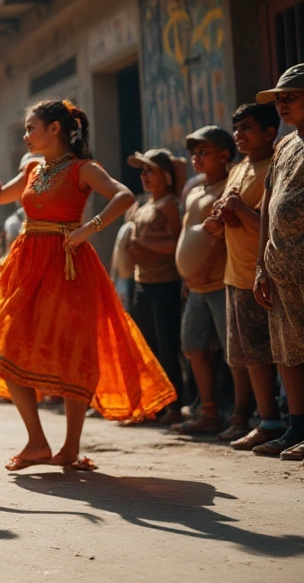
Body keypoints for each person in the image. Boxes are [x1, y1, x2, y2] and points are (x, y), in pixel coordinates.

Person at [0, 100, 176, 471]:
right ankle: (36, 441)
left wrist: (89, 228)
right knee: (7, 344)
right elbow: (0, 195)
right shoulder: (34, 168)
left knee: (72, 352)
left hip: (67, 265)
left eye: (31, 127)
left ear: (55, 129)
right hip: (28, 264)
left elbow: (124, 196)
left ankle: (70, 447)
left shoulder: (84, 168)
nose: (26, 135)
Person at [212, 103, 285, 451]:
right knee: (246, 355)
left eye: (248, 128)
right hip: (235, 273)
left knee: (273, 352)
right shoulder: (238, 168)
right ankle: (263, 418)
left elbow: (271, 225)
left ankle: (274, 421)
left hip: (265, 273)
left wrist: (239, 210)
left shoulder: (276, 166)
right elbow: (229, 217)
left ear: (271, 133)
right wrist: (222, 216)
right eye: (236, 127)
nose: (239, 134)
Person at [253, 63, 304, 462]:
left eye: (291, 96)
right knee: (289, 350)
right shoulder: (285, 145)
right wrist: (261, 266)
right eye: (279, 99)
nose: (282, 104)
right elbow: (269, 205)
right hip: (280, 265)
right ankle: (297, 427)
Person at [173, 126, 236, 436]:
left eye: (204, 151)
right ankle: (208, 411)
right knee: (193, 347)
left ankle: (240, 413)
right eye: (193, 153)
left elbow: (224, 237)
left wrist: (203, 267)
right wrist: (189, 275)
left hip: (220, 281)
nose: (196, 157)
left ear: (224, 156)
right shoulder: (195, 190)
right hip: (195, 284)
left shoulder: (230, 187)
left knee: (233, 352)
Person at [124, 148, 187, 425]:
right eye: (143, 170)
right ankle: (153, 406)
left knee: (166, 348)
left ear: (167, 176)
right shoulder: (141, 206)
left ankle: (175, 407)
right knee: (146, 349)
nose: (144, 176)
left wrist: (143, 246)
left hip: (165, 285)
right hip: (141, 284)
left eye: (151, 170)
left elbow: (178, 243)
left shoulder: (170, 205)